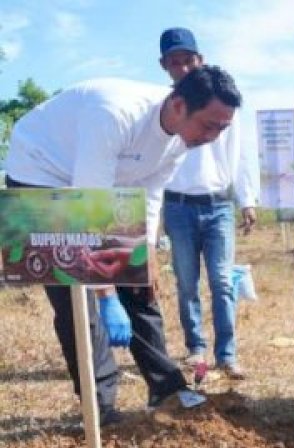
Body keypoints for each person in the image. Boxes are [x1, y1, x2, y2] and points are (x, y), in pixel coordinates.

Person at [4, 65, 243, 425]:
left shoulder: (182, 140)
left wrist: (146, 256)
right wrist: (106, 295)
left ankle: (167, 389)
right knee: (76, 294)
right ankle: (99, 406)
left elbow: (150, 196)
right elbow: (90, 214)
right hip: (42, 172)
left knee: (139, 285)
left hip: (101, 184)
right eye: (209, 126)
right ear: (179, 105)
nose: (212, 137)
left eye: (221, 130)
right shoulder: (114, 115)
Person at [159, 27, 257, 380]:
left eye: (189, 60)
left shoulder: (224, 103)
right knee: (186, 283)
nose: (183, 68)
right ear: (164, 66)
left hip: (218, 206)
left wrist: (247, 200)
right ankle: (195, 348)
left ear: (200, 59)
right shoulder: (166, 108)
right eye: (175, 62)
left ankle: (226, 354)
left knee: (222, 281)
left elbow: (239, 156)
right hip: (177, 206)